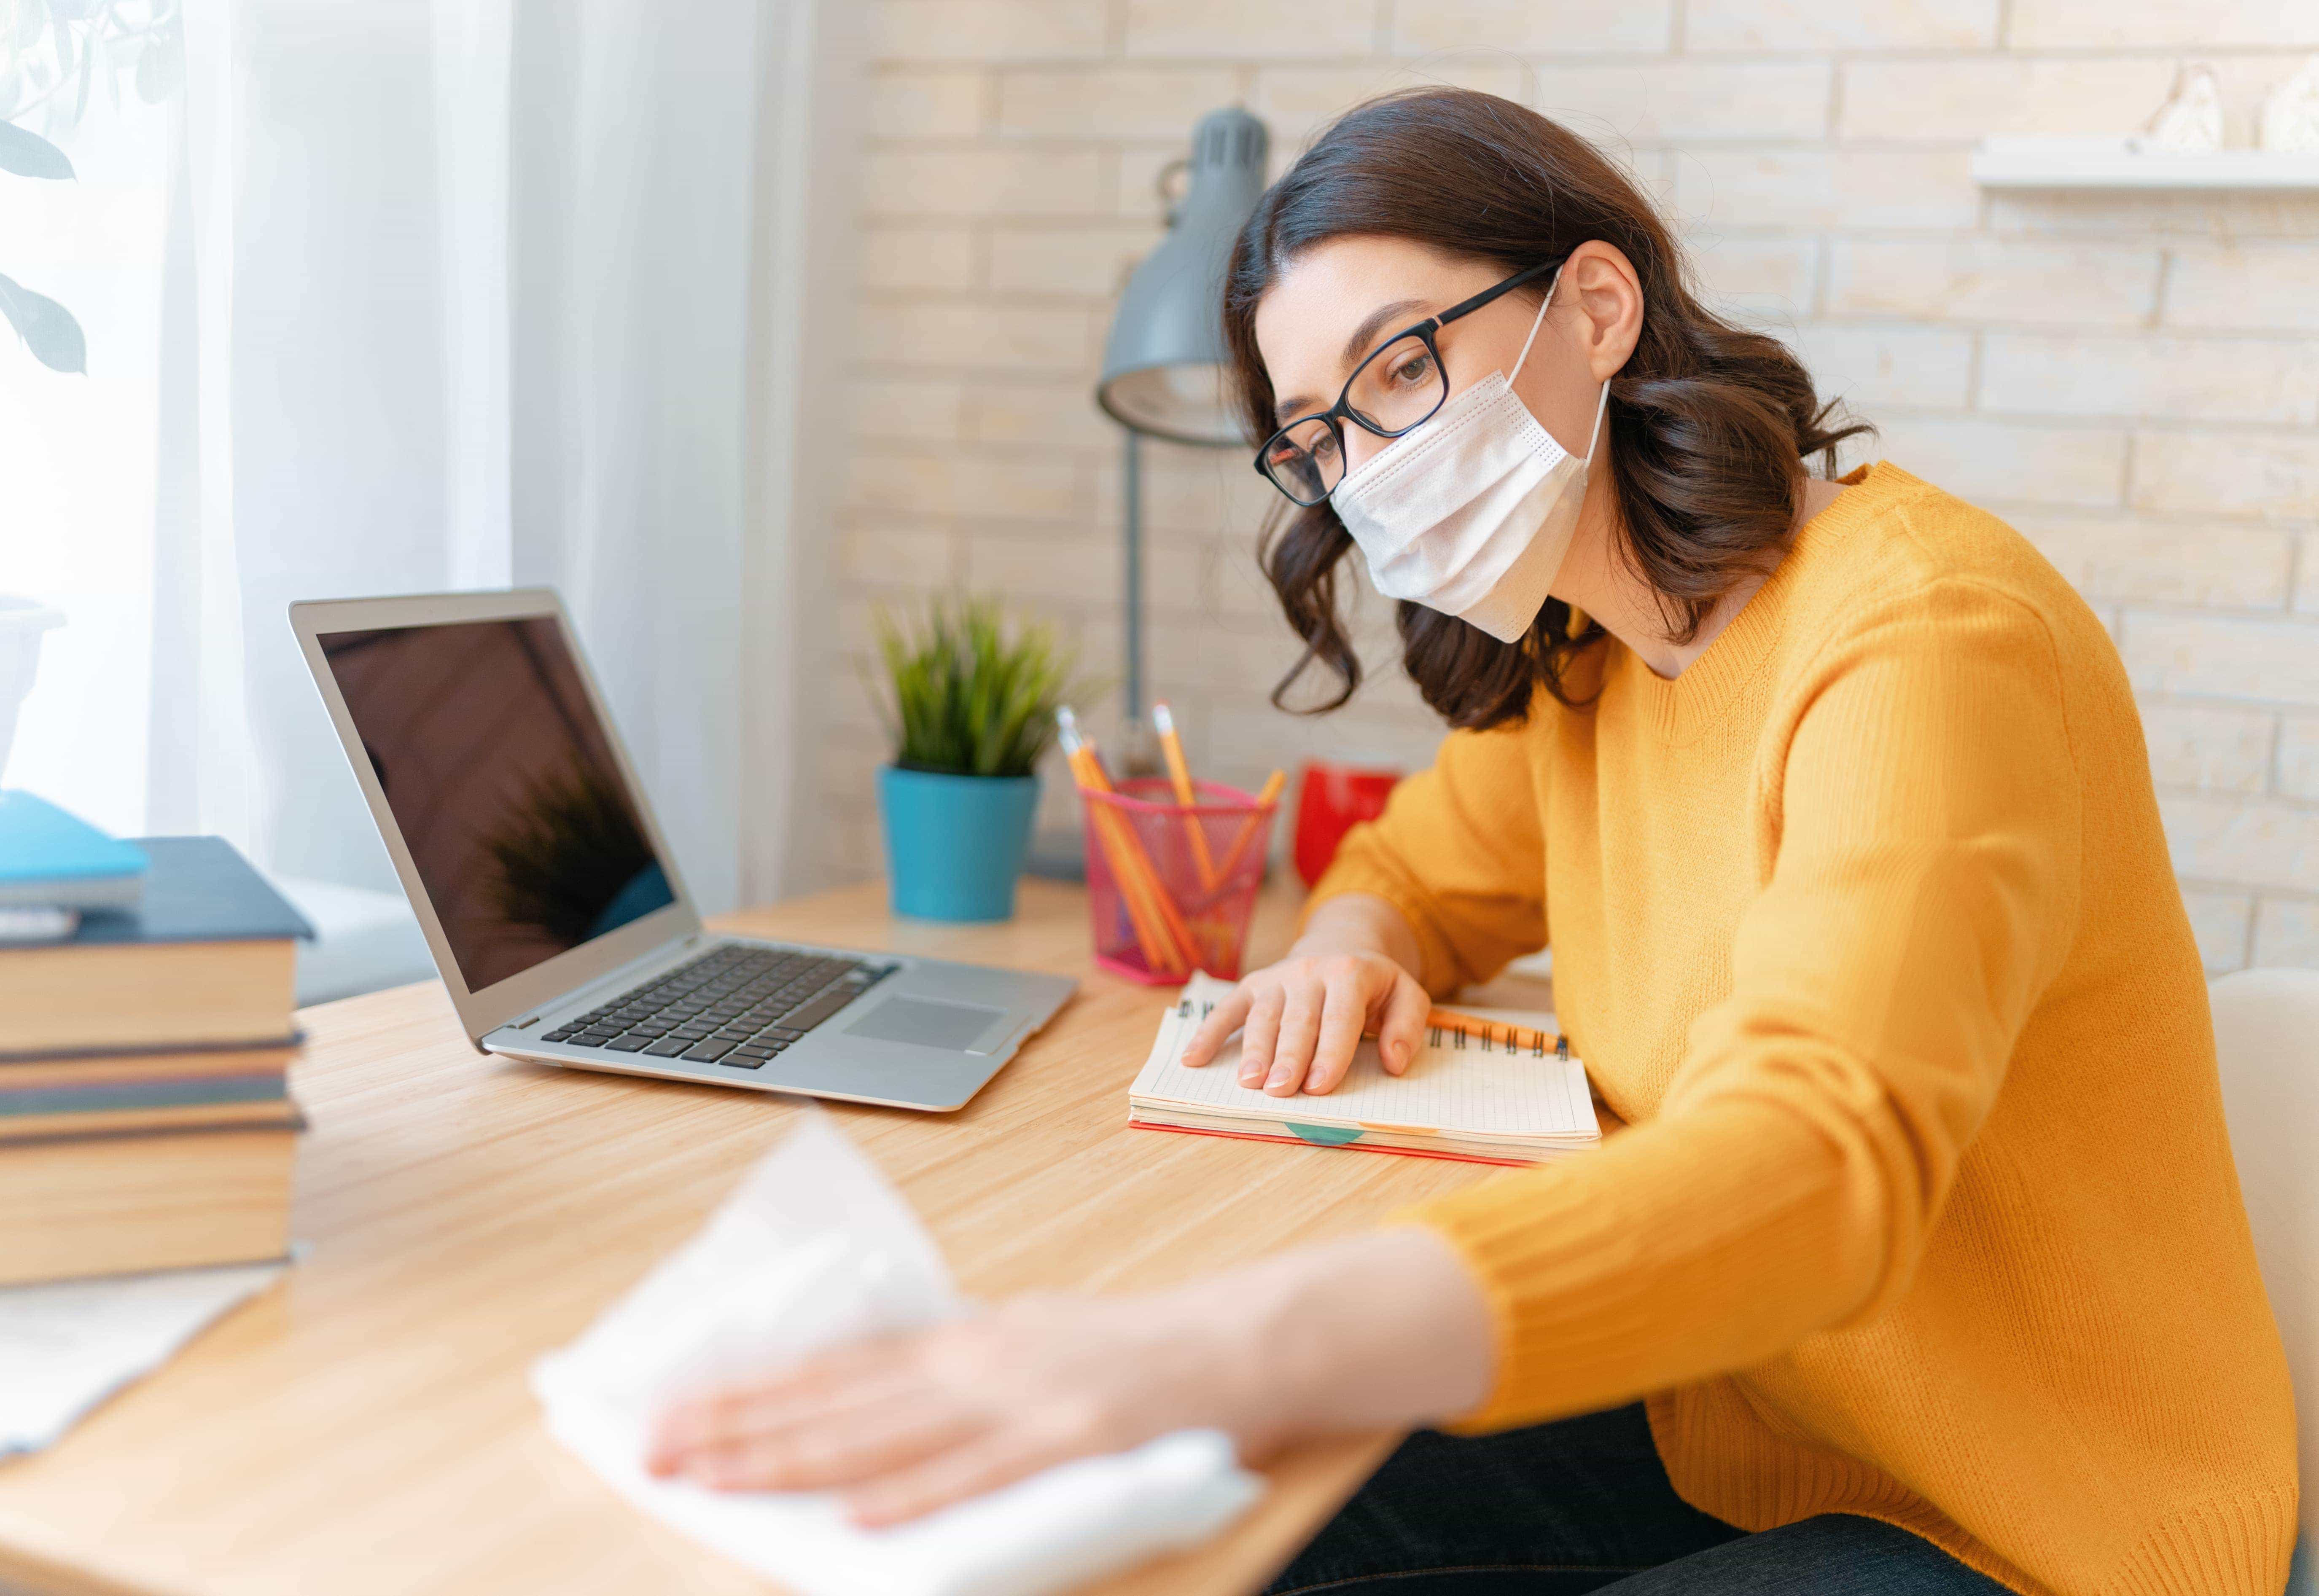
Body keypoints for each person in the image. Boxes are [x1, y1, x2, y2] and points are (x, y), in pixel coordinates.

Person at [643, 89, 2296, 1594]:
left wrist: (1202, 1343)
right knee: (1182, 1526)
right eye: (1319, 432)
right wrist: (1351, 948)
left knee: (1203, 1425)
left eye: (1402, 367)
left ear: (1594, 307)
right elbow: (1413, 873)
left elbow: (1818, 1171)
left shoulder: (1926, 639)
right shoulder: (1592, 651)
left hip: (2024, 1525)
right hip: (1730, 1426)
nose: (1366, 467)